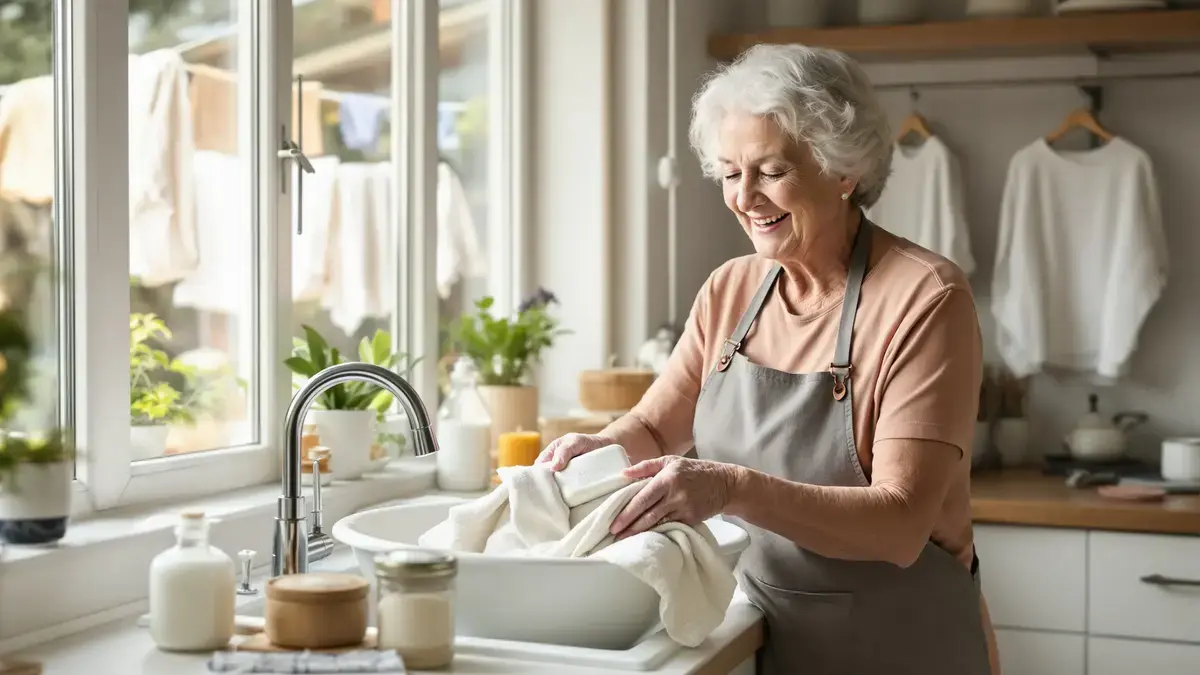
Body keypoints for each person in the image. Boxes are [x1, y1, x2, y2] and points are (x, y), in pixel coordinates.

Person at [538, 44, 1000, 675]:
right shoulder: (730, 290)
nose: (745, 198)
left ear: (843, 171)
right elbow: (653, 427)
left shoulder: (926, 298)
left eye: (772, 171)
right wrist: (596, 450)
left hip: (898, 646)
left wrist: (730, 487)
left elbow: (899, 524)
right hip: (758, 630)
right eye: (731, 173)